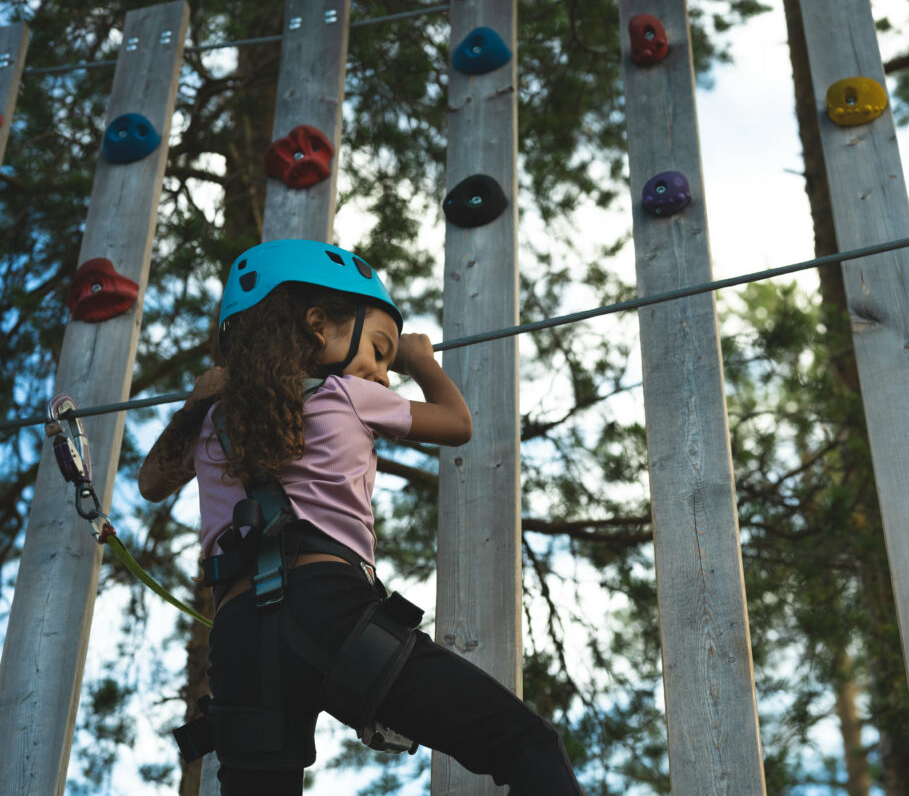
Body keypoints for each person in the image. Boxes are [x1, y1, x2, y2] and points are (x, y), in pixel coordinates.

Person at [139, 239, 581, 795]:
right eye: (379, 349)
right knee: (524, 743)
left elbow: (151, 482)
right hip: (330, 612)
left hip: (239, 643)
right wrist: (421, 360)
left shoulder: (212, 420)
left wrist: (197, 402)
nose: (384, 373)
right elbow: (456, 422)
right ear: (318, 326)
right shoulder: (345, 393)